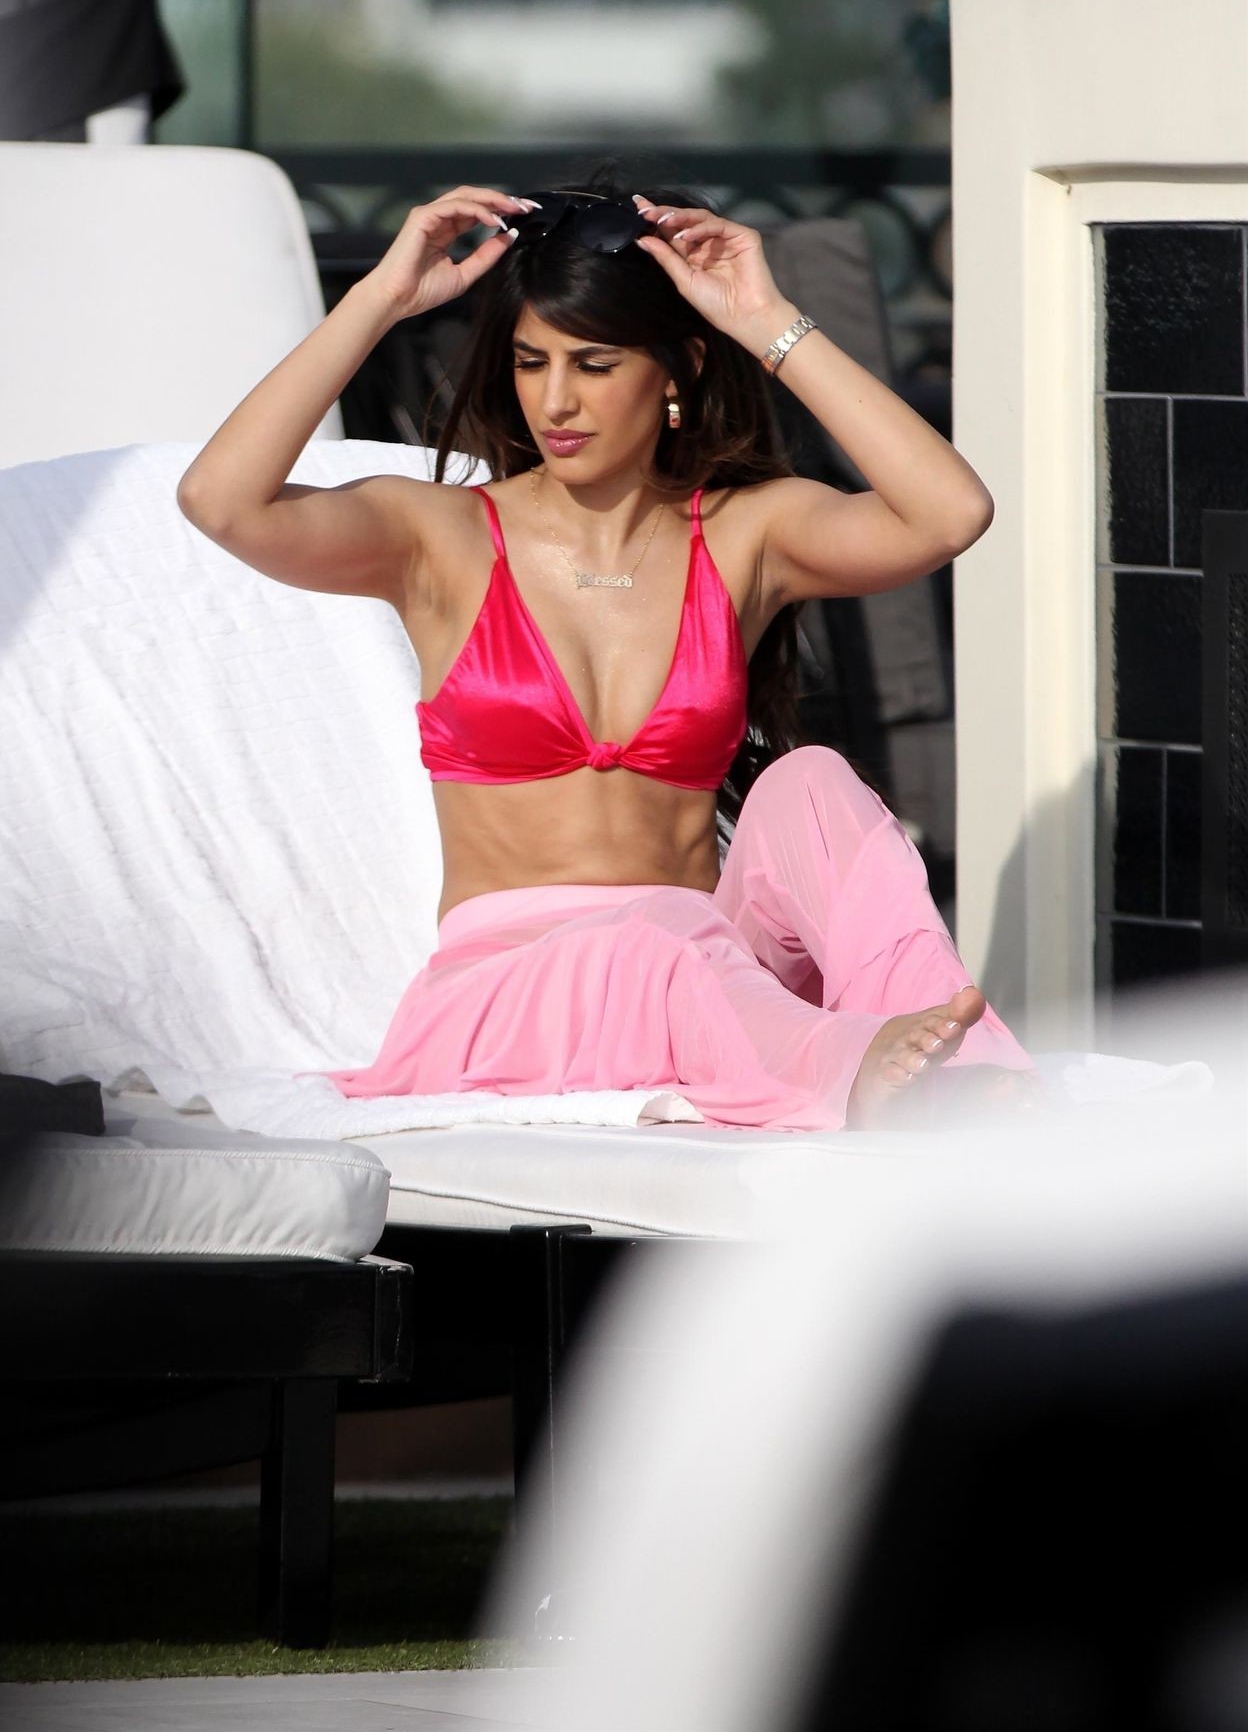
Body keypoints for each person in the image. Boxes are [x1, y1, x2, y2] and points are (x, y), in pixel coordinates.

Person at [177, 160, 1044, 1131]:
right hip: (505, 998)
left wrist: (766, 322)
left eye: (592, 366)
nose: (554, 402)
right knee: (648, 938)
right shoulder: (442, 539)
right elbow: (221, 501)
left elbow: (950, 513)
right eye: (530, 362)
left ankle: (956, 1060)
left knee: (811, 782)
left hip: (705, 970)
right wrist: (381, 299)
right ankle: (851, 1070)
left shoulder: (743, 536)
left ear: (677, 372)